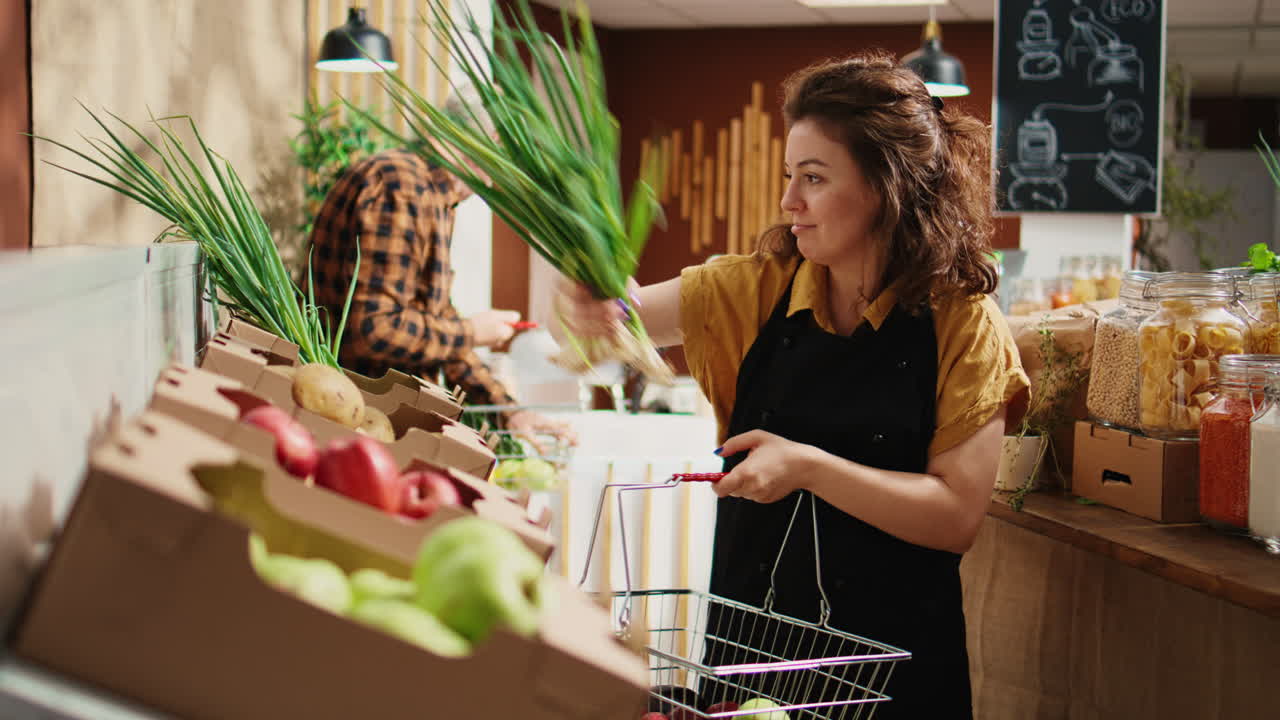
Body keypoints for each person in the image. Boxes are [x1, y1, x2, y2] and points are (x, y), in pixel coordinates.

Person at [556, 52, 1029, 718]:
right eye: (789, 176)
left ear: (884, 187)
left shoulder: (965, 324)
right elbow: (619, 320)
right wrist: (589, 297)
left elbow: (955, 517)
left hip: (893, 675)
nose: (788, 202)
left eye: (813, 178)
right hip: (751, 658)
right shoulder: (756, 287)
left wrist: (807, 468)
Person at [308, 96, 573, 448]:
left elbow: (430, 319)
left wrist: (508, 411)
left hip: (365, 415)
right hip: (349, 419)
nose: (497, 183)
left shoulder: (431, 194)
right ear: (490, 142)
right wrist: (471, 332)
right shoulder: (401, 186)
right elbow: (376, 329)